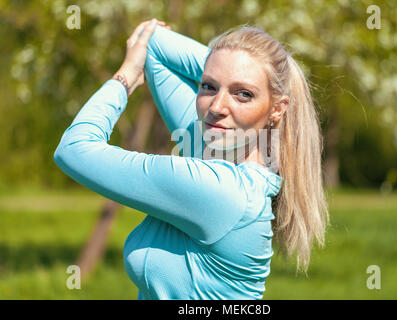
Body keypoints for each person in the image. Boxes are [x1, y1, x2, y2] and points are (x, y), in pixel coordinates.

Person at [54, 19, 329, 300]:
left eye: (243, 94)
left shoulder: (222, 191)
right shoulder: (218, 150)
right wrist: (248, 68)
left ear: (277, 108)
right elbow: (155, 43)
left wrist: (125, 76)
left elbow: (73, 149)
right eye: (208, 86)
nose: (217, 106)